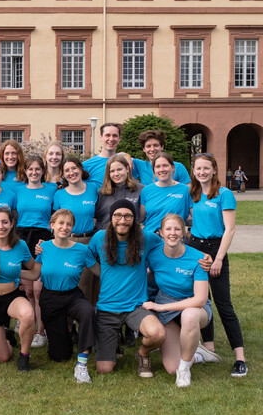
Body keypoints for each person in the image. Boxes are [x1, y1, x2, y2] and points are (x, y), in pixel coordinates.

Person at [87, 200, 166, 376]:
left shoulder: (146, 238)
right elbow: (86, 256)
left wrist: (151, 270)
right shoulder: (100, 238)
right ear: (111, 217)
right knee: (104, 369)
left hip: (136, 307)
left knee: (157, 334)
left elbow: (167, 250)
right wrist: (103, 274)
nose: (122, 220)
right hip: (107, 308)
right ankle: (114, 341)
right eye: (118, 216)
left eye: (128, 216)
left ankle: (142, 354)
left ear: (134, 219)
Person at [188, 153, 247, 376]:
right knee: (202, 301)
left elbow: (230, 229)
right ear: (193, 171)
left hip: (216, 249)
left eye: (206, 168)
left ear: (214, 170)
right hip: (195, 248)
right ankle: (209, 347)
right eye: (198, 168)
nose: (202, 172)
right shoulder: (191, 193)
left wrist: (219, 258)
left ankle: (239, 357)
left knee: (223, 304)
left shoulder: (224, 194)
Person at [143, 214, 213, 387]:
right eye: (168, 229)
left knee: (189, 316)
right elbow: (147, 274)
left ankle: (184, 370)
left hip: (195, 308)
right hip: (167, 307)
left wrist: (159, 307)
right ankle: (196, 354)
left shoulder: (198, 259)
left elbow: (200, 300)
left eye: (177, 229)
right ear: (160, 233)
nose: (172, 233)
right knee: (171, 368)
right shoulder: (154, 255)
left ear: (183, 233)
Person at [34, 209, 98, 383]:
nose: (65, 227)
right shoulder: (43, 248)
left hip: (72, 295)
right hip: (50, 298)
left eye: (69, 224)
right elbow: (34, 274)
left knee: (88, 312)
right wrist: (10, 276)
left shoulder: (82, 250)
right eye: (61, 223)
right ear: (52, 225)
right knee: (60, 355)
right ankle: (67, 337)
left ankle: (82, 364)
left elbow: (99, 271)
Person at [0, 207, 39, 371]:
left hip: (13, 296)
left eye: (5, 222)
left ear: (12, 224)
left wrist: (40, 255)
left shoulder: (21, 245)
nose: (1, 226)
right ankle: (9, 339)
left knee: (27, 315)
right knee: (3, 357)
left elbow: (34, 273)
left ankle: (25, 356)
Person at [14, 155, 56, 347]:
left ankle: (42, 331)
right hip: (22, 237)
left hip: (43, 238)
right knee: (28, 290)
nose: (34, 172)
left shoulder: (52, 189)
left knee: (39, 289)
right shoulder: (17, 190)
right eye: (30, 169)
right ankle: (29, 324)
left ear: (42, 171)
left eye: (37, 169)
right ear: (25, 171)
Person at [53, 156, 98, 302]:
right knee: (68, 281)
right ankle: (67, 322)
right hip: (67, 241)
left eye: (74, 168)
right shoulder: (59, 195)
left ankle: (86, 320)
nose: (71, 172)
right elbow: (54, 221)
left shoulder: (93, 189)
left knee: (86, 284)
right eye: (67, 170)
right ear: (63, 174)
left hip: (88, 241)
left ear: (80, 169)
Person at [140, 152, 192, 234]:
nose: (162, 169)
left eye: (165, 165)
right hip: (150, 237)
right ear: (154, 170)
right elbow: (141, 218)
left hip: (173, 238)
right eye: (158, 166)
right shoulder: (146, 190)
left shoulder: (185, 190)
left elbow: (197, 217)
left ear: (173, 168)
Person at [95, 153, 143, 231]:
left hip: (131, 238)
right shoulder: (102, 192)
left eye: (119, 169)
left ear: (127, 169)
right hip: (105, 237)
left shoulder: (140, 190)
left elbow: (143, 217)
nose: (116, 174)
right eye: (112, 171)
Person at [82, 123, 124, 187]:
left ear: (119, 138)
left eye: (115, 135)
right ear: (101, 137)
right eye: (107, 135)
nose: (111, 139)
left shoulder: (127, 162)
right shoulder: (86, 165)